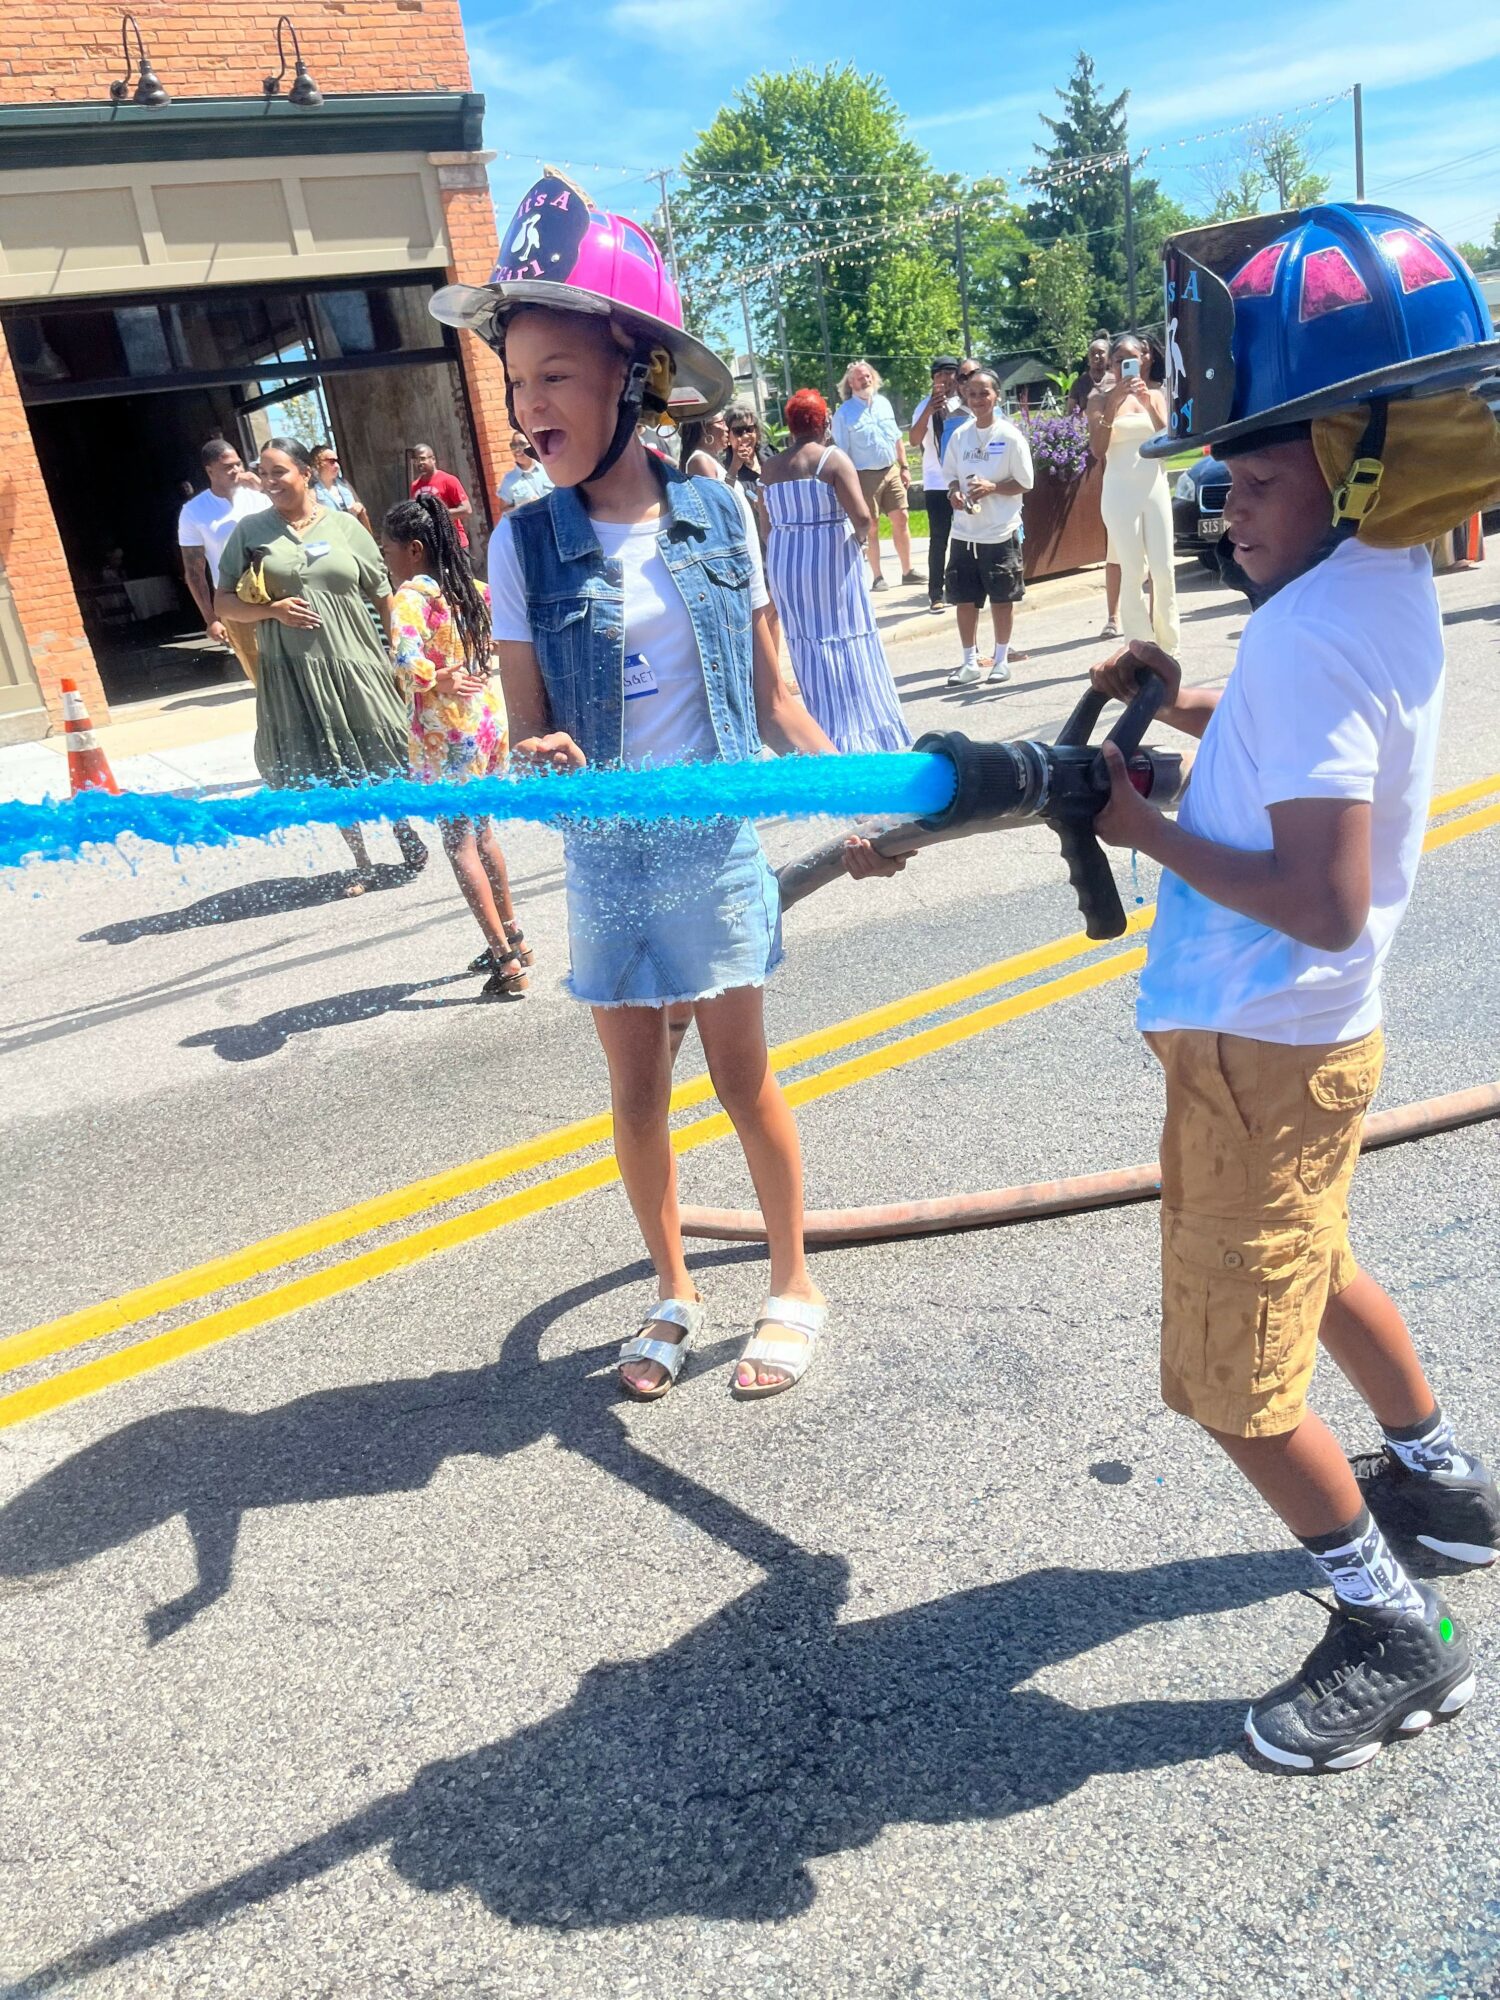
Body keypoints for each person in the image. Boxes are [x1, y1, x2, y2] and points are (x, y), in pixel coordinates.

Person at [1089, 200, 1500, 1773]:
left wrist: (1144, 827)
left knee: (1233, 1381)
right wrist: (1186, 695)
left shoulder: (1314, 632)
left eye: (1257, 475)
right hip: (1312, 1045)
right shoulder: (1372, 590)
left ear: (1361, 466)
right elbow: (1300, 748)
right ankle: (1444, 1482)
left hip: (1263, 1038)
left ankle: (1395, 1627)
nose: (1225, 505)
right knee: (1317, 1264)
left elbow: (1322, 898)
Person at [430, 173, 903, 1403]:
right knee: (637, 1093)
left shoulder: (716, 510)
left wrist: (865, 801)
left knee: (742, 1079)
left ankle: (792, 1278)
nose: (529, 407)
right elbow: (526, 721)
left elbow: (781, 695)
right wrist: (537, 756)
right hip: (608, 860)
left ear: (628, 371)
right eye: (515, 381)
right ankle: (672, 1290)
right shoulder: (519, 541)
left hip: (711, 841)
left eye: (553, 378)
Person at [214, 436, 428, 892]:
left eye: (279, 471)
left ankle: (403, 829)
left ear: (306, 473)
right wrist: (271, 610)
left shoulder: (346, 527)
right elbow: (224, 601)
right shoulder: (250, 532)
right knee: (324, 760)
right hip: (292, 667)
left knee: (382, 745)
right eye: (264, 472)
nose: (270, 481)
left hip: (357, 659)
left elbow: (382, 595)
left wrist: (402, 652)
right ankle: (363, 861)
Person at [382, 493, 531, 999]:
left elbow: (404, 662)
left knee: (458, 842)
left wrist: (434, 676)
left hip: (448, 734)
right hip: (487, 723)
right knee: (483, 833)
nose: (387, 563)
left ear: (415, 549)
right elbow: (506, 627)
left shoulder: (411, 597)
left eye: (389, 553)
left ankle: (506, 962)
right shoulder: (469, 589)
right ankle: (515, 937)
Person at [760, 388, 910, 754]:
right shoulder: (832, 459)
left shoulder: (770, 467)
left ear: (790, 426)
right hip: (828, 558)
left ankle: (824, 733)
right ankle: (866, 735)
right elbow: (862, 516)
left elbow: (766, 526)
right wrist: (856, 541)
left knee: (808, 647)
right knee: (848, 640)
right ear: (825, 422)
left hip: (787, 561)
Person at [941, 366, 1034, 687]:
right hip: (964, 532)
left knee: (1001, 597)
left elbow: (1025, 482)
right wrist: (955, 491)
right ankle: (968, 662)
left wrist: (993, 487)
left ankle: (1001, 659)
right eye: (973, 393)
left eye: (985, 393)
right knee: (963, 599)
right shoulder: (960, 435)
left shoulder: (1010, 436)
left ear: (996, 397)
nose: (978, 399)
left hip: (999, 531)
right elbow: (950, 475)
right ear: (965, 395)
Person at [1088, 335, 1179, 656]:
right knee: (1132, 568)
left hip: (1152, 485)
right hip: (1118, 489)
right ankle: (1140, 645)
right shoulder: (1098, 400)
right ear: (1111, 365)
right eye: (1117, 360)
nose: (1123, 365)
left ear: (1146, 359)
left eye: (1131, 358)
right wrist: (1112, 406)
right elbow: (1098, 450)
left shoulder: (1156, 395)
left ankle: (1168, 646)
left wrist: (1148, 405)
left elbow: (1168, 444)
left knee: (1164, 568)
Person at [177, 439, 265, 683]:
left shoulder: (260, 497)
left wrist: (263, 487)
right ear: (209, 471)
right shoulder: (194, 511)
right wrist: (211, 619)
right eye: (228, 467)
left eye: (238, 464)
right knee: (258, 671)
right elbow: (194, 572)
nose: (236, 470)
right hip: (235, 598)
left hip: (277, 590)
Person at [831, 360, 919, 592]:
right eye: (860, 377)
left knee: (901, 518)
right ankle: (878, 577)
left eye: (868, 376)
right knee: (871, 526)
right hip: (863, 476)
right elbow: (841, 452)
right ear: (851, 383)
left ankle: (908, 570)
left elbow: (897, 438)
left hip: (890, 470)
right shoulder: (844, 414)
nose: (866, 380)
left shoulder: (883, 404)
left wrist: (904, 466)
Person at [1070, 334, 1123, 634]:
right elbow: (1071, 413)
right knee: (1114, 551)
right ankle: (1113, 618)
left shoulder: (1128, 388)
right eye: (1093, 354)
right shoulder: (1086, 388)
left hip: (1140, 478)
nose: (1097, 359)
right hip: (1103, 463)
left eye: (1103, 354)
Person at [910, 356, 967, 616]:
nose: (946, 379)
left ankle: (964, 587)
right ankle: (936, 593)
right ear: (933, 379)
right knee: (939, 538)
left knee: (967, 535)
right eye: (940, 374)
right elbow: (913, 439)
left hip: (964, 480)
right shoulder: (923, 406)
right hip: (936, 482)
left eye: (951, 373)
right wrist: (928, 411)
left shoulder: (964, 403)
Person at [409, 443, 472, 550]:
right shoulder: (414, 486)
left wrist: (436, 515)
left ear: (433, 459)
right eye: (416, 460)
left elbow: (466, 510)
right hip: (432, 546)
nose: (419, 463)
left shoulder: (448, 480)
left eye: (422, 458)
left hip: (454, 544)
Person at [311, 443, 371, 532]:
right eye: (331, 461)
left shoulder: (345, 484)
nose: (337, 466)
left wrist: (360, 508)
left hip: (353, 533)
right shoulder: (312, 491)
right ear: (318, 463)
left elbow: (362, 510)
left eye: (337, 461)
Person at [496, 433, 554, 515]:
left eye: (522, 444)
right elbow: (503, 510)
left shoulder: (548, 469)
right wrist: (521, 507)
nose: (517, 449)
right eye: (513, 445)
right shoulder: (509, 479)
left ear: (532, 445)